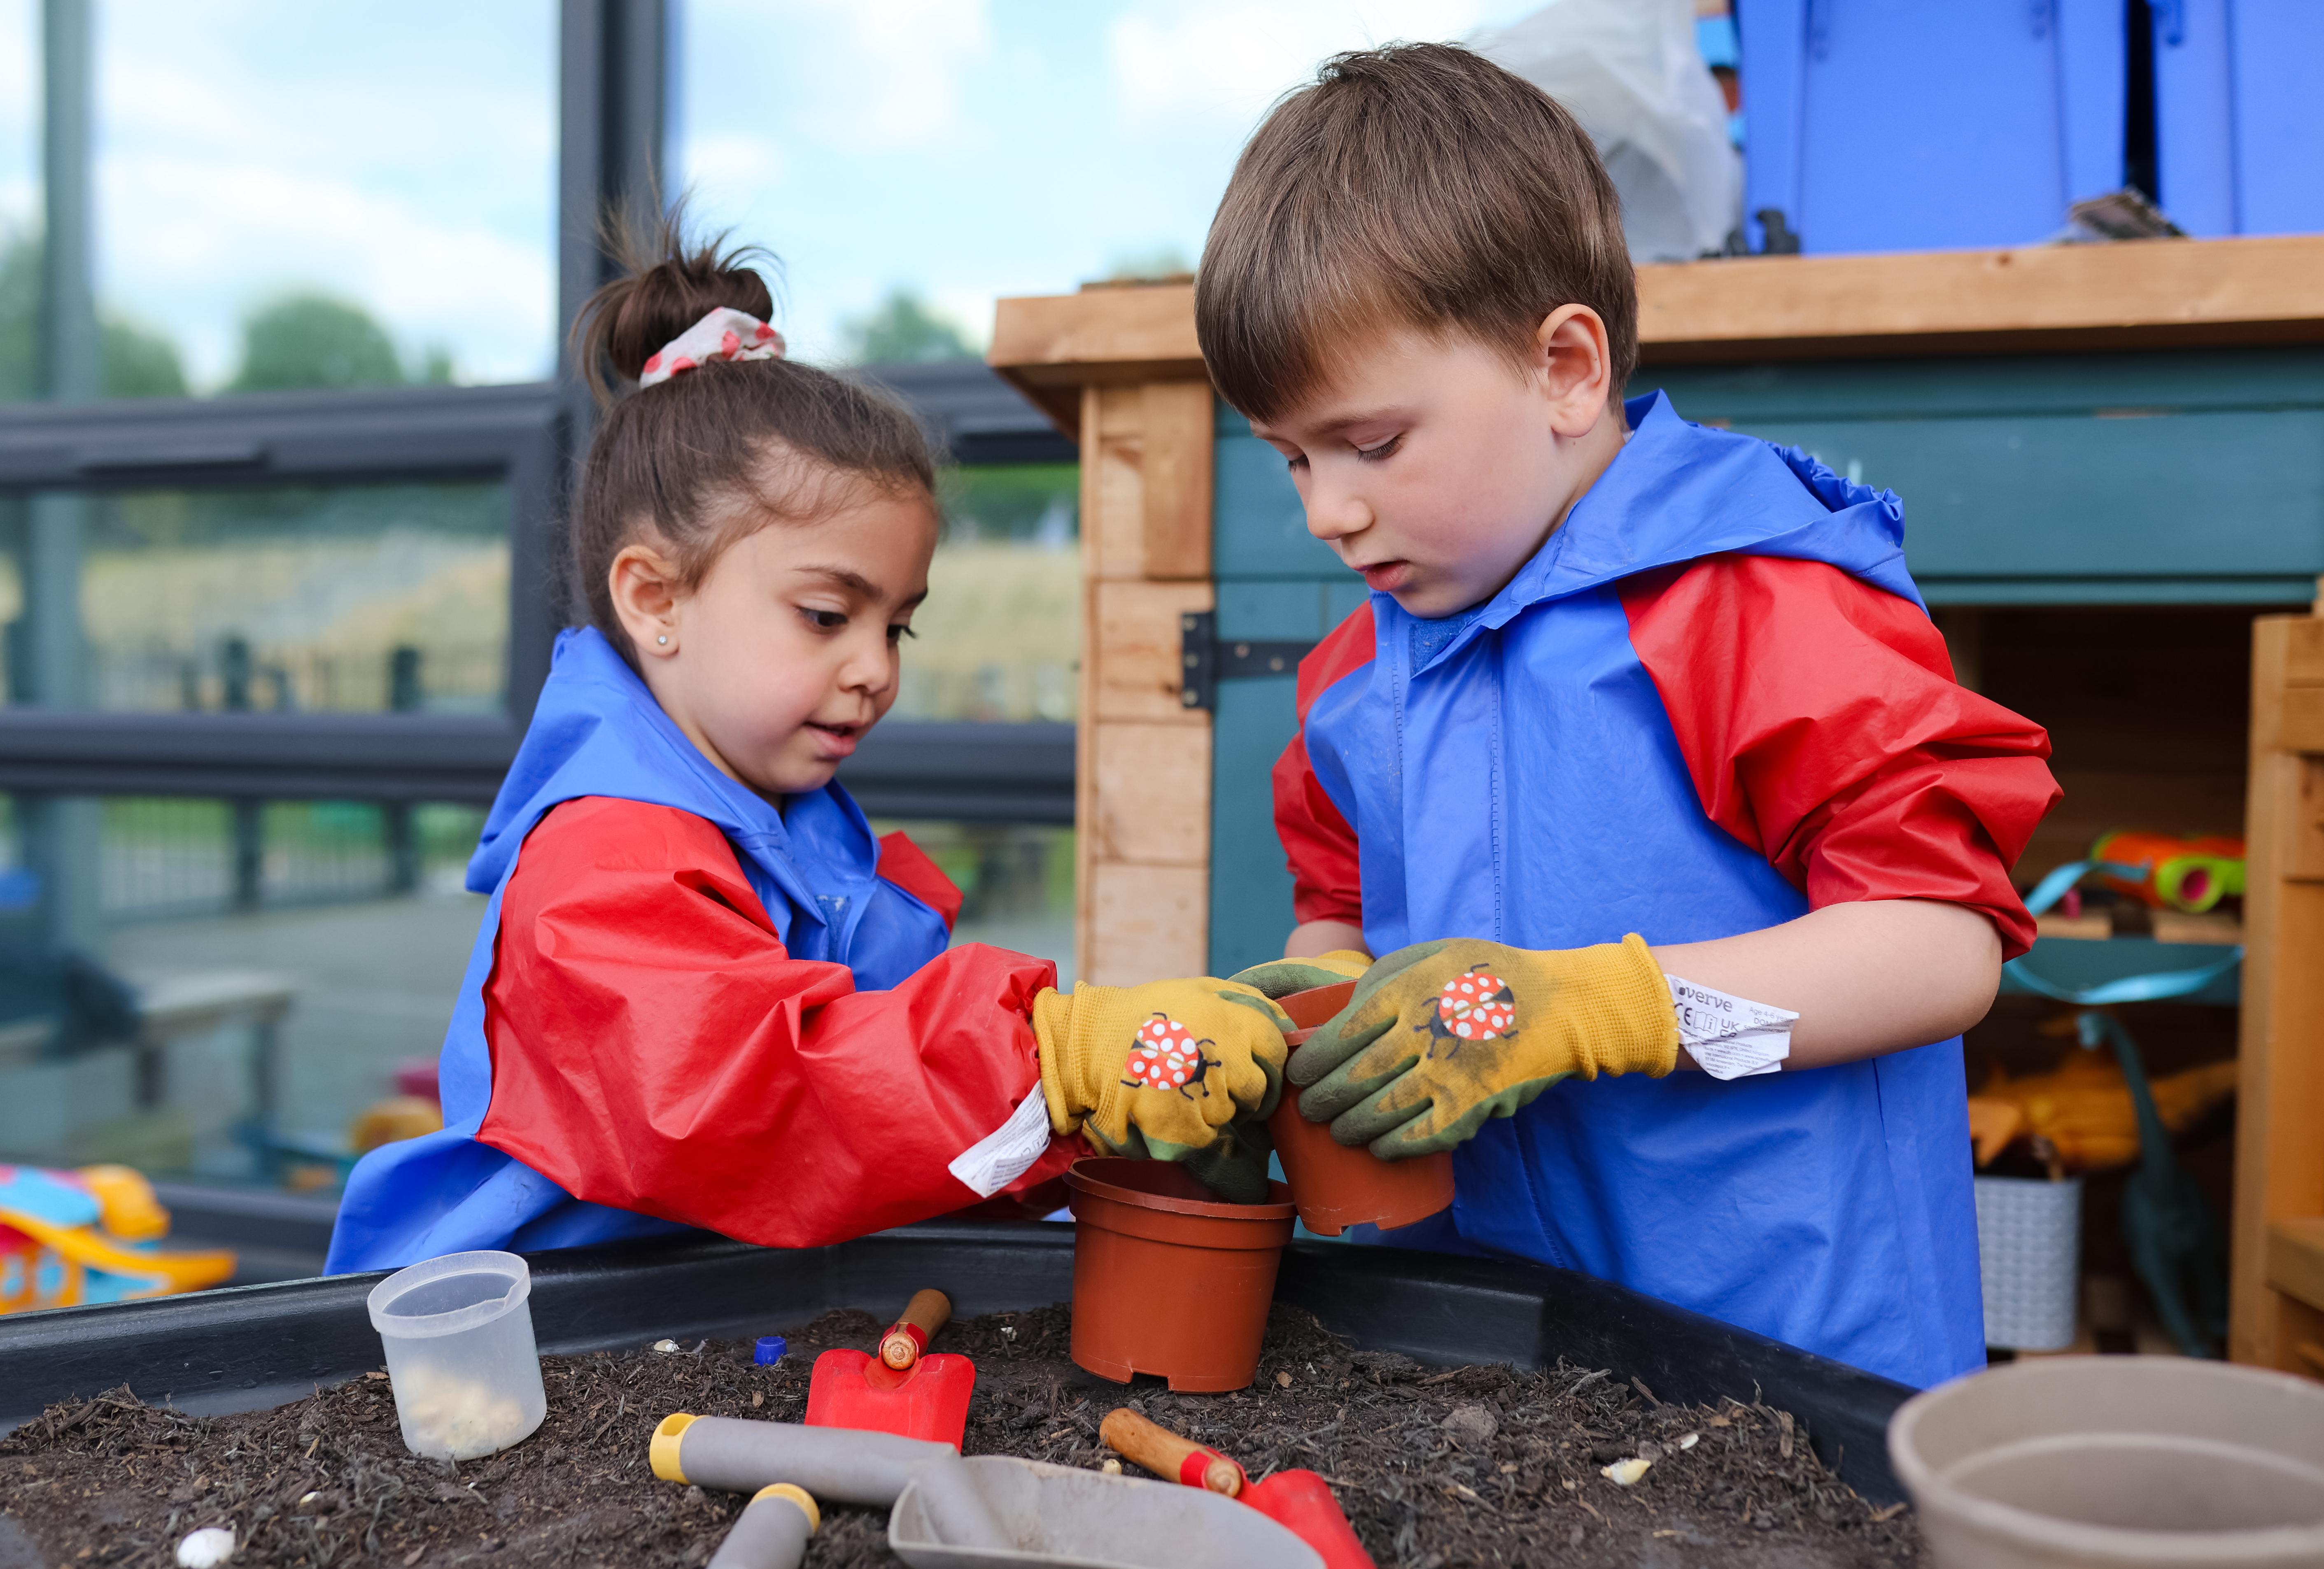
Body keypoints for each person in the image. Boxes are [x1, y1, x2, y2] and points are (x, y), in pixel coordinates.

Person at [1201, 46, 2059, 1389]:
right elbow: (1342, 923)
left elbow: (1943, 952)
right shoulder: (1351, 683)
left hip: (1792, 1351)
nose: (1328, 511)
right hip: (1499, 1343)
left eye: (1370, 444)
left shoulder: (1750, 607)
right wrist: (1305, 1009)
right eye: (1291, 457)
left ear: (1563, 369)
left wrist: (1606, 1004)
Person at [327, 220, 1290, 1274]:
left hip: (703, 1314)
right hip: (542, 1330)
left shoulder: (800, 839)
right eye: (829, 616)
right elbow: (759, 1095)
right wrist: (1052, 1061)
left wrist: (1115, 1117)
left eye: (898, 625)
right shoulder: (601, 858)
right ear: (656, 598)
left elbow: (892, 1108)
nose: (876, 667)